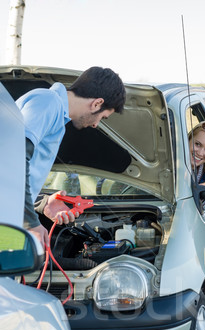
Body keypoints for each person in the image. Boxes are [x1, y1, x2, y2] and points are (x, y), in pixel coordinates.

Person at [16, 66, 126, 248]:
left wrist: (42, 203)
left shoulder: (56, 114)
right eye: (103, 117)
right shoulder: (47, 102)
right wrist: (31, 222)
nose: (96, 125)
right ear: (97, 103)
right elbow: (15, 158)